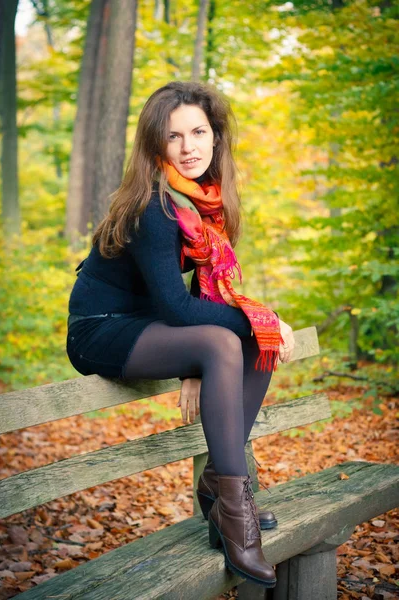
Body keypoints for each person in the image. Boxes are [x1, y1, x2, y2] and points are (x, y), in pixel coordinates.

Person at [66, 80, 295, 588]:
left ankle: (220, 487)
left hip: (151, 326)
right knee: (240, 336)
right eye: (174, 137)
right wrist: (262, 321)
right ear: (155, 145)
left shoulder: (201, 206)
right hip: (100, 329)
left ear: (216, 137)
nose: (188, 147)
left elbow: (203, 299)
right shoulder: (155, 205)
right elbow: (177, 305)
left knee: (253, 341)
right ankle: (235, 515)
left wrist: (199, 360)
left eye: (198, 132)